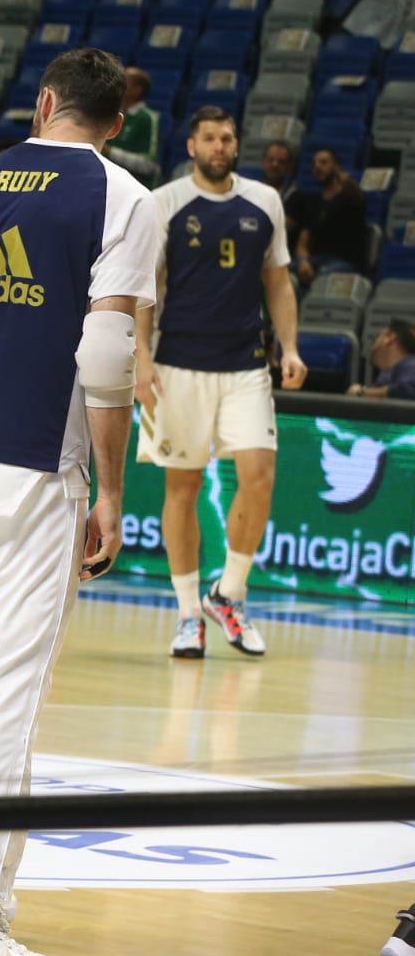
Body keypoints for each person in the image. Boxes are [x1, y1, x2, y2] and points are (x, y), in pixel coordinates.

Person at [0, 47, 157, 956]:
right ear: (116, 120)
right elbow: (105, 353)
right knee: (8, 690)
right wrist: (110, 488)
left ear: (44, 102)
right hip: (33, 470)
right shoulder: (122, 196)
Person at [135, 108, 305, 660]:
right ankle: (188, 615)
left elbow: (278, 283)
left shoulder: (265, 201)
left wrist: (292, 348)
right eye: (209, 137)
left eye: (227, 138)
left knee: (258, 476)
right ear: (191, 145)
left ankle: (228, 593)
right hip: (178, 365)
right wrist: (141, 356)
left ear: (236, 146)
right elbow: (145, 287)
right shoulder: (164, 201)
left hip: (246, 366)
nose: (219, 145)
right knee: (181, 490)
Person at [293, 146, 369, 281]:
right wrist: (303, 262)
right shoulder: (312, 202)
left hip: (344, 263)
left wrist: (344, 180)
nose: (317, 166)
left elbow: (359, 197)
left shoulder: (350, 197)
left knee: (322, 278)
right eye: (314, 163)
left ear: (336, 166)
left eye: (323, 162)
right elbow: (303, 243)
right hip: (315, 260)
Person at [108, 67, 162, 184]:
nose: (117, 85)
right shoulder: (110, 111)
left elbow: (148, 165)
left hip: (134, 185)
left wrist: (110, 152)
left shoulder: (147, 118)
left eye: (124, 81)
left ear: (137, 90)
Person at [350, 320, 415, 399]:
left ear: (390, 338)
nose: (372, 345)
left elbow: (408, 390)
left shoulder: (410, 365)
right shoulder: (386, 374)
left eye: (377, 337)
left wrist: (361, 392)